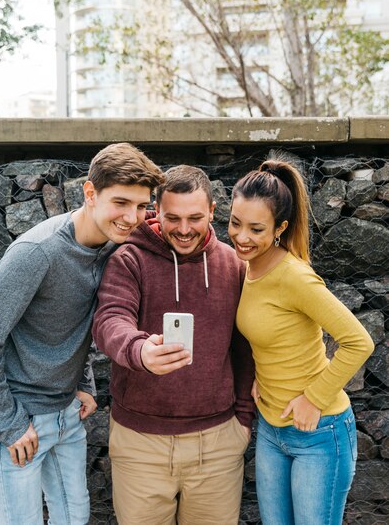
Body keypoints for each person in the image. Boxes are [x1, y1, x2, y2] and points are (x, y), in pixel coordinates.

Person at [0, 142, 164, 525]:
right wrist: (9, 424)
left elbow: (80, 324)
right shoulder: (37, 252)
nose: (132, 217)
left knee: (75, 518)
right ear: (90, 193)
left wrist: (86, 383)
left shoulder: (112, 248)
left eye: (141, 206)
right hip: (20, 418)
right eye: (121, 202)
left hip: (67, 414)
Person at [93, 165, 256, 525]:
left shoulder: (233, 265)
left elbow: (245, 349)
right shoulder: (129, 259)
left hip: (217, 442)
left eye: (195, 217)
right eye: (173, 218)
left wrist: (243, 419)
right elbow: (109, 320)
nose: (184, 229)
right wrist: (139, 349)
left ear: (213, 212)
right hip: (140, 443)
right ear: (157, 210)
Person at [228, 156, 375, 525]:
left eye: (256, 229)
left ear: (279, 228)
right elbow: (272, 335)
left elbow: (359, 341)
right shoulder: (246, 266)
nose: (242, 237)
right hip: (271, 430)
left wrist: (314, 398)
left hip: (319, 433)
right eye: (235, 223)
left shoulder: (295, 276)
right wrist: (264, 373)